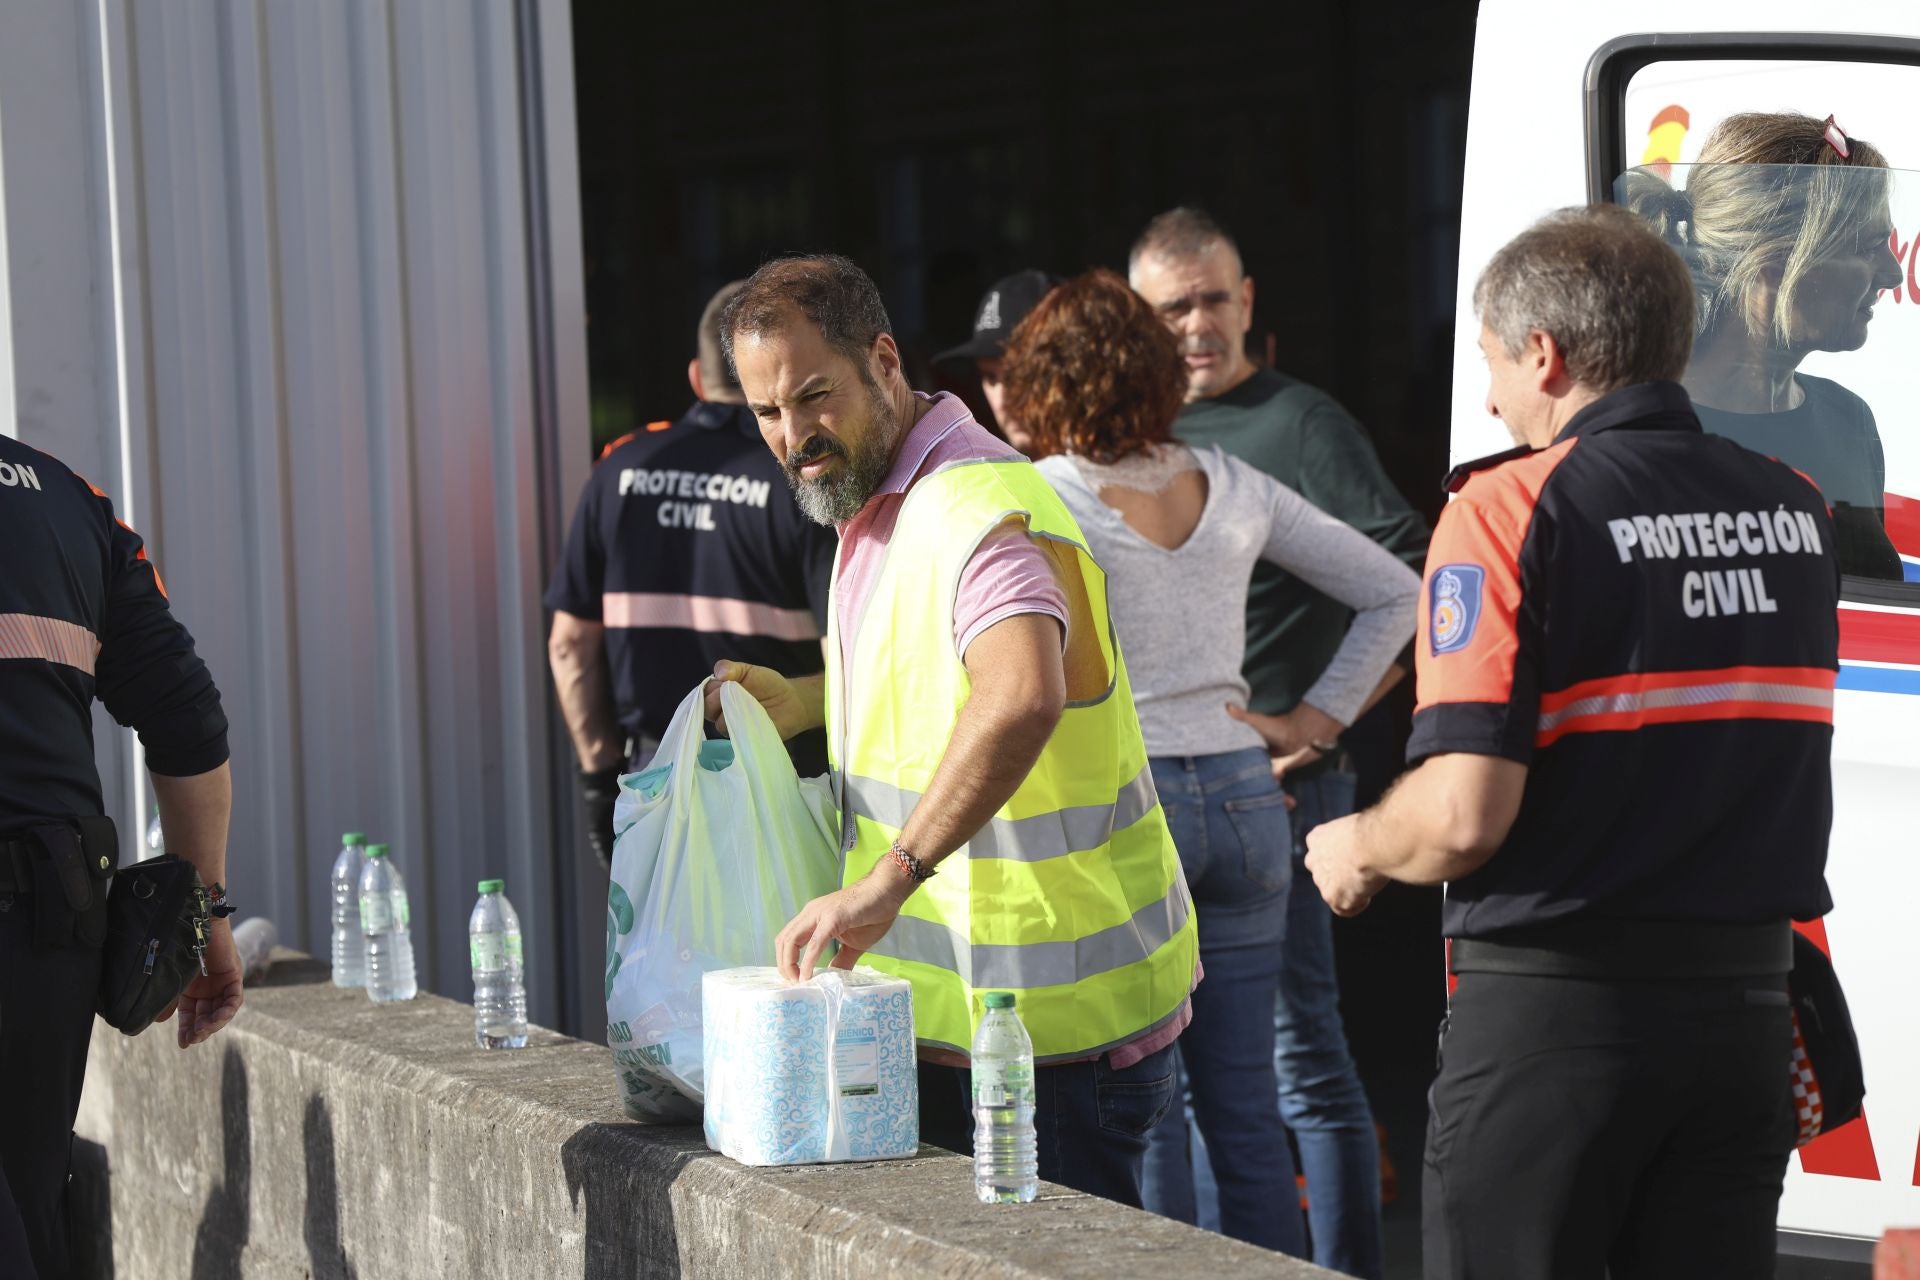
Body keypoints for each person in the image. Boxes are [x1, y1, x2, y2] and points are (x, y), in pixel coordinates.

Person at [1304, 205, 1840, 1279]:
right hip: (1745, 1023)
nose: (1493, 396)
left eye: (1492, 364)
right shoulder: (1796, 507)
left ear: (1544, 354)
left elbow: (1462, 811)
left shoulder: (1508, 508)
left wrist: (1355, 845)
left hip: (1558, 1023)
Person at [704, 254, 1197, 1207]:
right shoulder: (887, 503)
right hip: (978, 1020)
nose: (794, 435)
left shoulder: (976, 505)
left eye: (814, 396)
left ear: (884, 362)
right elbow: (939, 681)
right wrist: (809, 702)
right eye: (766, 413)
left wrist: (888, 880)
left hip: (1045, 1037)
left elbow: (1018, 694)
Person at [1005, 269, 1418, 1252]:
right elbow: (1397, 590)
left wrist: (1313, 716)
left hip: (1123, 810)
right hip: (1242, 798)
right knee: (1244, 1106)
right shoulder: (1233, 482)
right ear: (1157, 374)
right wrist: (1313, 722)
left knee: (1144, 1105)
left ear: (1042, 385)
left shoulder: (1039, 495)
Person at [1128, 205, 1426, 1277]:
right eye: (1174, 306)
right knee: (1200, 1069)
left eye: (1216, 298)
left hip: (1289, 789)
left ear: (1249, 301)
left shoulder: (1299, 425)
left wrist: (1327, 716)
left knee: (1298, 1059)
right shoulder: (1139, 440)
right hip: (1178, 790)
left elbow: (1416, 580)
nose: (1199, 323)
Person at [1, 437, 241, 1279]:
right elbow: (190, 726)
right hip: (44, 934)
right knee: (25, 1209)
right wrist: (204, 914)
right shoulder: (69, 502)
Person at [546, 282, 837, 866]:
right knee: (784, 959)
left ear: (697, 379)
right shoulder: (801, 474)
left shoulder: (620, 468)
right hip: (785, 788)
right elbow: (850, 656)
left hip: (653, 785)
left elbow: (570, 646)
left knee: (653, 956)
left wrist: (599, 783)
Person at [1623, 111, 1905, 579]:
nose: (1894, 273)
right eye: (1867, 245)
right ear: (1772, 265)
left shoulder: (1848, 418)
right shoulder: (1642, 438)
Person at [932, 269, 1056, 450]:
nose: (1004, 400)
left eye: (1018, 374)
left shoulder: (1104, 471)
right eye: (990, 377)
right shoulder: (986, 470)